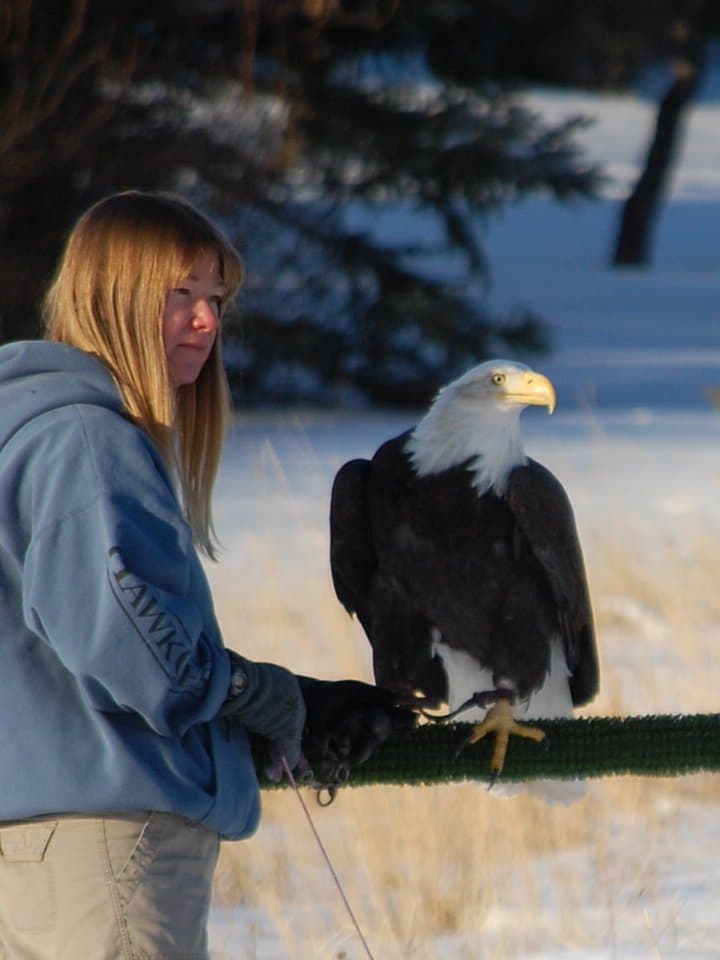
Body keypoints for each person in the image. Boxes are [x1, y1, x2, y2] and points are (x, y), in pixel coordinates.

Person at [0, 191, 409, 960]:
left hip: (31, 854)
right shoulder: (89, 440)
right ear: (107, 294)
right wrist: (260, 696)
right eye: (179, 295)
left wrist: (244, 725)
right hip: (106, 856)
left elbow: (58, 666)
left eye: (215, 298)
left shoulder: (23, 431)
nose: (207, 322)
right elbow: (143, 658)